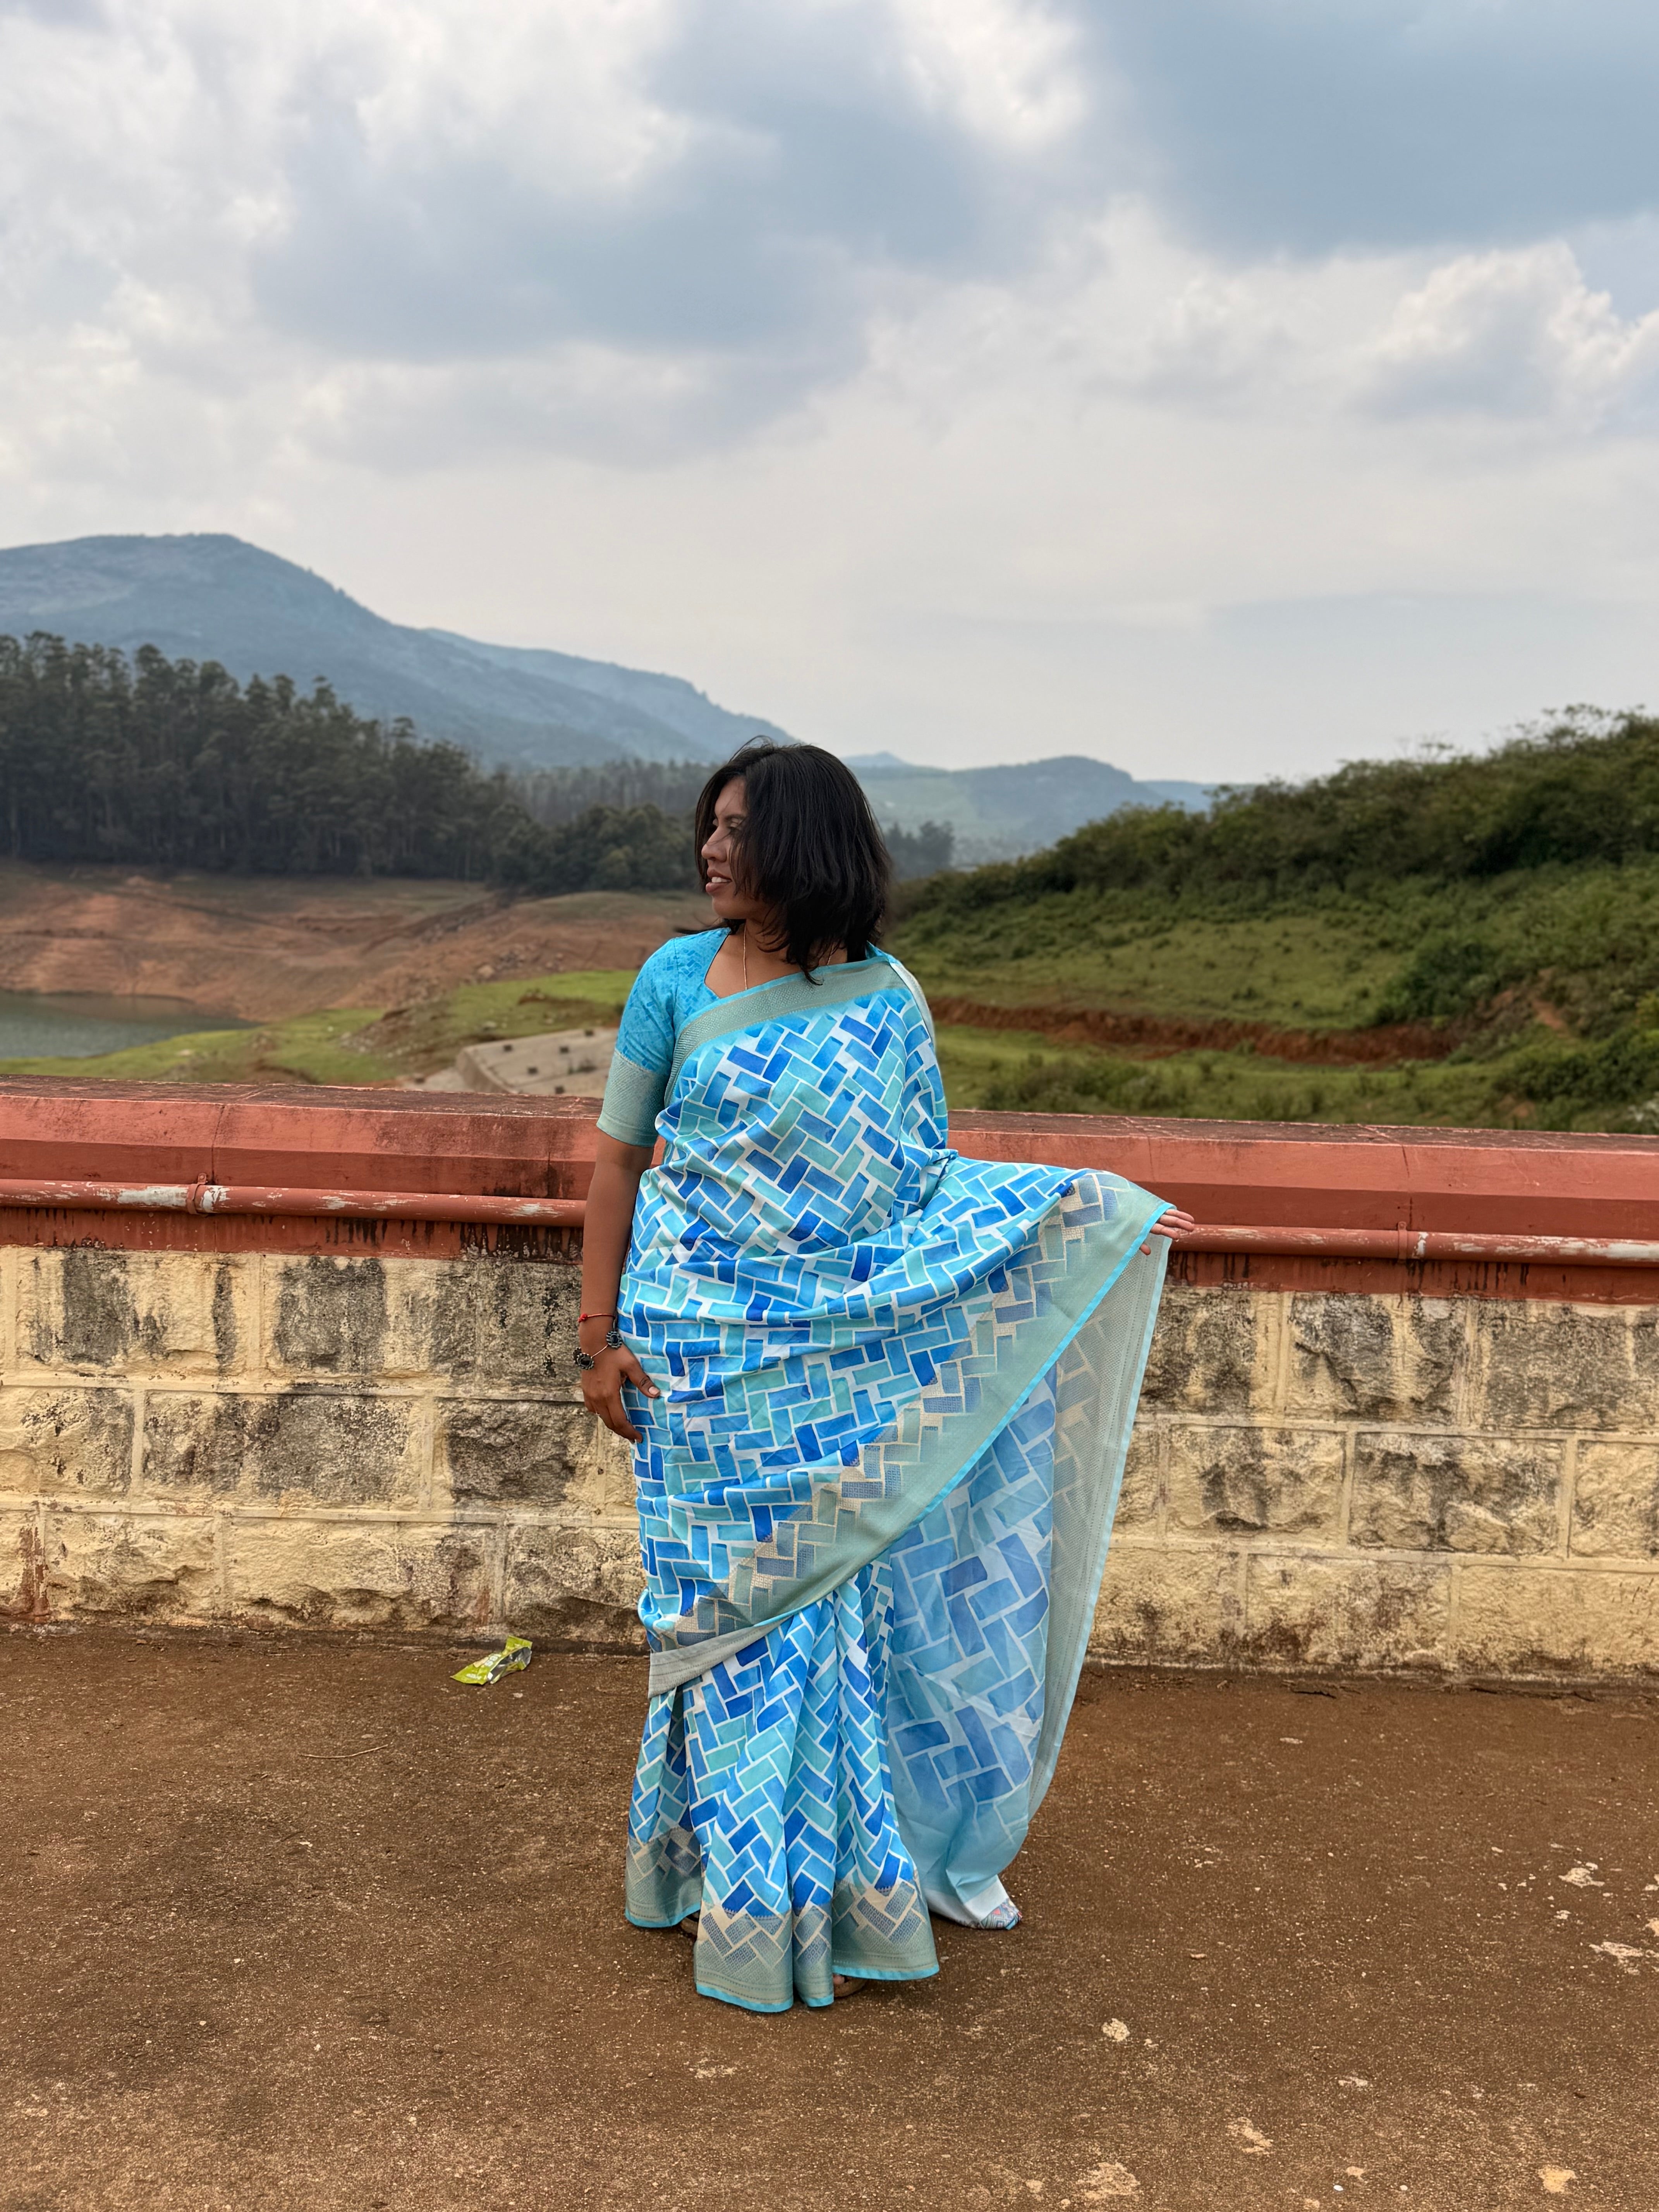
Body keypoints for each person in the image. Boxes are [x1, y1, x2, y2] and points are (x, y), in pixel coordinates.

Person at [577, 740, 1192, 2014]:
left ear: (803, 845)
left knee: (820, 1615)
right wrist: (595, 1337)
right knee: (716, 1621)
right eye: (708, 825)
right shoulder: (673, 980)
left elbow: (919, 1191)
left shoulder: (886, 998)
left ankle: (803, 1890)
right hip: (699, 1361)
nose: (708, 850)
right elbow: (618, 1167)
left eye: (735, 830)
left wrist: (1087, 1214)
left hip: (831, 1363)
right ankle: (724, 1875)